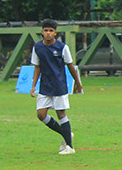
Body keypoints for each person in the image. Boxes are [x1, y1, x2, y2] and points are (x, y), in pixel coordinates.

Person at [29, 19, 82, 155]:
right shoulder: (37, 48)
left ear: (55, 33)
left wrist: (78, 83)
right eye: (45, 30)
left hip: (59, 85)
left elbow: (70, 66)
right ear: (42, 32)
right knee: (41, 115)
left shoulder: (62, 47)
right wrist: (33, 86)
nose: (48, 33)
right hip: (45, 86)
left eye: (51, 31)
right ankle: (67, 134)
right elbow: (37, 67)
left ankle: (69, 147)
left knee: (61, 114)